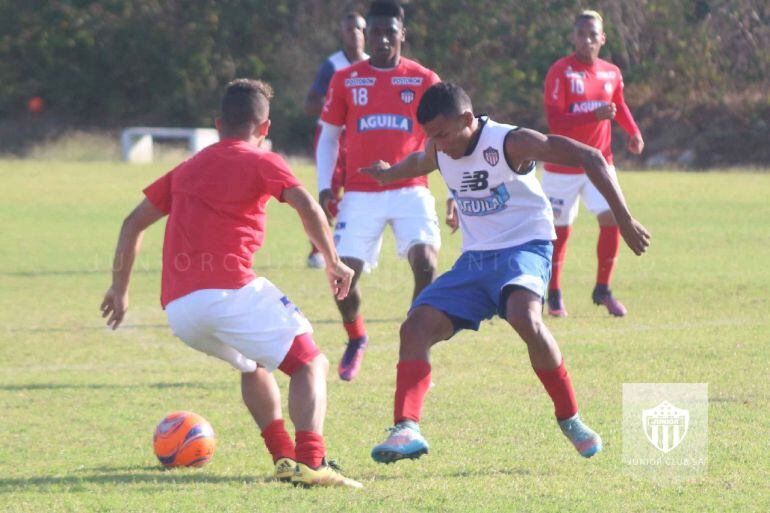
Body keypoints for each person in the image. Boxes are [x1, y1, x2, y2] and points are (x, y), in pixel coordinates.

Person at [362, 82, 650, 464]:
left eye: (443, 134)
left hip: (525, 247)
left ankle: (571, 419)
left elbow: (591, 156)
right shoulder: (438, 146)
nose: (438, 144)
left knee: (523, 315)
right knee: (414, 326)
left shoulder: (509, 142)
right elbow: (417, 163)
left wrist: (624, 219)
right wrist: (388, 174)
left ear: (467, 119)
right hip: (476, 260)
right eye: (431, 136)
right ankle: (406, 428)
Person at [100, 79, 362, 488]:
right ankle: (312, 463)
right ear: (265, 127)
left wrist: (120, 289)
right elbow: (306, 204)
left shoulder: (187, 167)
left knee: (253, 363)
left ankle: (283, 459)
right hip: (229, 291)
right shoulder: (263, 159)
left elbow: (131, 223)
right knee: (311, 363)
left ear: (219, 123)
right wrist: (332, 261)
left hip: (181, 311)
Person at [316, 0, 442, 381]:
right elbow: (329, 137)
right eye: (376, 33)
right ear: (367, 36)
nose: (384, 38)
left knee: (427, 263)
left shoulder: (423, 79)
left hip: (410, 187)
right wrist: (325, 186)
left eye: (391, 31)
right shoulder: (347, 78)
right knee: (342, 276)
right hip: (360, 192)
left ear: (403, 33)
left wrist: (455, 194)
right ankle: (356, 338)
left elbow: (445, 138)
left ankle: (415, 343)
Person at [541, 9, 645, 317]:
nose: (587, 40)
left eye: (593, 35)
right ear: (573, 37)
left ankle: (603, 289)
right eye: (581, 34)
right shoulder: (560, 71)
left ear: (602, 38)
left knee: (613, 220)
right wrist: (593, 115)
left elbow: (619, 104)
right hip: (563, 165)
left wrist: (634, 131)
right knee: (559, 231)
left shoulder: (611, 72)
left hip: (600, 164)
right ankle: (555, 293)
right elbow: (555, 121)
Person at [303, 11, 368, 269]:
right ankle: (316, 251)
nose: (354, 34)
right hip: (331, 135)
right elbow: (310, 103)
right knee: (328, 189)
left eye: (359, 29)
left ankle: (352, 247)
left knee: (358, 191)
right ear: (342, 34)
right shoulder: (333, 65)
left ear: (365, 33)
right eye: (349, 29)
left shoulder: (372, 65)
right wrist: (339, 105)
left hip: (360, 137)